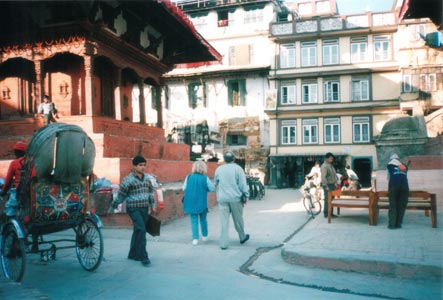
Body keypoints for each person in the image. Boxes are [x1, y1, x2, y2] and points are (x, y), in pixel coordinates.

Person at [109, 155, 156, 266]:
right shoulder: (128, 180)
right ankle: (143, 257)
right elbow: (121, 195)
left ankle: (133, 254)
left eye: (144, 165)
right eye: (140, 165)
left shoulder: (147, 179)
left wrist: (153, 205)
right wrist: (113, 206)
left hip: (144, 208)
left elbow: (150, 193)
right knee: (142, 230)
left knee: (137, 230)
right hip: (133, 208)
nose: (143, 167)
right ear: (134, 166)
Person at [214, 151, 250, 250]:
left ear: (224, 160)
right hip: (235, 198)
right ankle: (242, 237)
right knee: (238, 220)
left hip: (222, 198)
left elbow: (216, 182)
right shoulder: (238, 169)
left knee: (224, 221)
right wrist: (246, 195)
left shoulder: (219, 169)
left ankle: (224, 243)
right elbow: (243, 184)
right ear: (234, 159)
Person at [182, 161, 215, 245]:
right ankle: (205, 236)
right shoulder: (205, 178)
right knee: (203, 219)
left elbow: (184, 188)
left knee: (194, 220)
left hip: (191, 201)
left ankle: (195, 239)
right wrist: (205, 189)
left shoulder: (188, 177)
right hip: (202, 201)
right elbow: (212, 189)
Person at [1, 141, 28, 217]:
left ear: (17, 152)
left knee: (10, 209)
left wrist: (3, 192)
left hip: (18, 192)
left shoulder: (14, 163)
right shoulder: (33, 162)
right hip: (32, 192)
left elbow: (8, 181)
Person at [387, 153, 410, 229]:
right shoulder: (404, 167)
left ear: (391, 159)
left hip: (394, 186)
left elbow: (388, 177)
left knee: (393, 205)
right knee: (401, 205)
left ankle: (392, 225)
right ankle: (398, 224)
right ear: (398, 159)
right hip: (404, 186)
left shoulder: (389, 165)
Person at [320, 152, 338, 218]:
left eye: (332, 159)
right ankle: (326, 214)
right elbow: (323, 177)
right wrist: (325, 186)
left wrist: (335, 183)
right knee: (328, 200)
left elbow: (334, 175)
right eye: (330, 159)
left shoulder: (331, 165)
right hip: (328, 185)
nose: (331, 160)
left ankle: (331, 213)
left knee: (331, 200)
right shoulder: (324, 166)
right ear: (326, 159)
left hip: (332, 185)